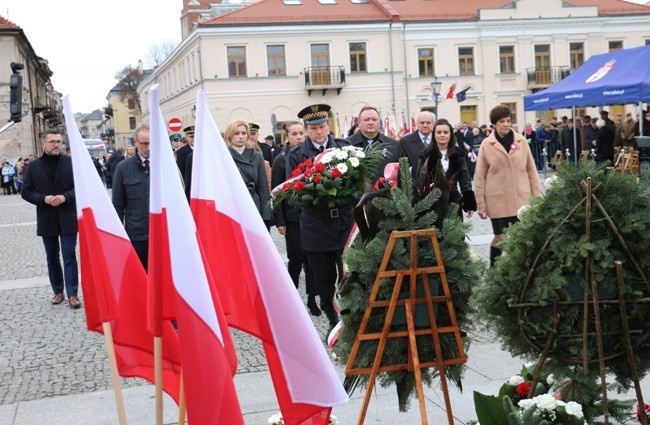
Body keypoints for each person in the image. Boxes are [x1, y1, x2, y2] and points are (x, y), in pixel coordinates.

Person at [286, 103, 351, 337]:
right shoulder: (295, 156)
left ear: (328, 126)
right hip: (316, 227)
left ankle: (350, 322)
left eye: (322, 126)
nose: (319, 132)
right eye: (313, 128)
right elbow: (293, 190)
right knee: (323, 280)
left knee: (349, 276)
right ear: (306, 129)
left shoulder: (345, 148)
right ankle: (333, 323)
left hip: (344, 224)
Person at [474, 105, 541, 267]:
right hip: (497, 200)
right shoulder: (486, 144)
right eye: (501, 121)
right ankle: (494, 270)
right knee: (500, 237)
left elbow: (531, 170)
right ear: (494, 124)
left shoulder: (521, 141)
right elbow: (480, 176)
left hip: (521, 200)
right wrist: (480, 204)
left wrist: (538, 198)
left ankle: (521, 270)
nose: (505, 124)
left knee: (522, 237)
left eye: (508, 121)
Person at [21, 130, 80, 308]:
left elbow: (81, 187)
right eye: (52, 141)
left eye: (59, 141)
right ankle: (58, 291)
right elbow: (26, 192)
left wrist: (66, 197)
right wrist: (43, 199)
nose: (56, 144)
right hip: (47, 217)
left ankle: (73, 294)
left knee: (69, 254)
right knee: (52, 256)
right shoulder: (34, 166)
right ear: (43, 144)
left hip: (67, 216)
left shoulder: (71, 163)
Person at [271, 121, 319, 316]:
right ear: (287, 137)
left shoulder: (310, 155)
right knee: (295, 259)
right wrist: (280, 221)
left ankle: (311, 299)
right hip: (292, 218)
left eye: (301, 133)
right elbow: (277, 192)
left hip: (311, 217)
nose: (299, 137)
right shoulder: (281, 160)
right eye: (294, 134)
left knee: (311, 261)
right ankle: (290, 297)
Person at [416, 119, 476, 230]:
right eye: (439, 132)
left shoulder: (458, 154)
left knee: (455, 235)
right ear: (434, 135)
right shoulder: (425, 155)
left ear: (450, 135)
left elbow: (465, 180)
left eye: (445, 132)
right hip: (431, 203)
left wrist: (469, 204)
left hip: (453, 201)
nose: (442, 135)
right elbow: (418, 180)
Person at [112, 124, 151, 270]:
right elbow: (117, 203)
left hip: (160, 232)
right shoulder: (123, 168)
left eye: (151, 142)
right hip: (136, 232)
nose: (148, 147)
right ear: (135, 142)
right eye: (144, 143)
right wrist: (118, 232)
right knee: (138, 272)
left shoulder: (164, 165)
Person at [225, 120, 271, 223]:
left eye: (244, 133)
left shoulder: (257, 156)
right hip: (231, 206)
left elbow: (263, 188)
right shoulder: (224, 156)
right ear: (229, 135)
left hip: (252, 204)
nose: (241, 137)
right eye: (236, 133)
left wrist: (266, 216)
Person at [346, 105, 402, 182]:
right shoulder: (347, 145)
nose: (371, 123)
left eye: (374, 119)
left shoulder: (394, 145)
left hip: (385, 192)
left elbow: (401, 174)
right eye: (366, 119)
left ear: (379, 122)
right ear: (359, 123)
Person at [400, 111, 435, 179]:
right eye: (422, 123)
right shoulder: (406, 141)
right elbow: (403, 166)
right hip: (415, 184)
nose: (425, 125)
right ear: (417, 124)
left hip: (435, 183)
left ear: (433, 124)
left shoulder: (438, 140)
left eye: (428, 123)